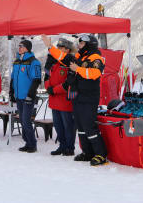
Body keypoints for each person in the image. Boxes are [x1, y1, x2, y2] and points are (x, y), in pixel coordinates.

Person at [41, 34, 108, 166]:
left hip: (89, 98)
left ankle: (100, 154)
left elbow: (95, 73)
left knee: (90, 127)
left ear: (89, 45)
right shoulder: (79, 57)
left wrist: (78, 69)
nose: (79, 46)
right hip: (78, 96)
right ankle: (87, 152)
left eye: (82, 44)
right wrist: (50, 47)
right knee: (81, 127)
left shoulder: (96, 58)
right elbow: (62, 58)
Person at [44, 38, 76, 156]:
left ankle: (69, 147)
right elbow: (46, 76)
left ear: (67, 50)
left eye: (61, 48)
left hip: (64, 100)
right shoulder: (52, 60)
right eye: (58, 47)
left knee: (68, 126)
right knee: (58, 125)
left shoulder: (71, 62)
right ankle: (62, 146)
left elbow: (69, 82)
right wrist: (48, 87)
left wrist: (54, 90)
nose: (58, 49)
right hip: (54, 99)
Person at [9, 39, 41, 153]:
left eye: (21, 46)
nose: (19, 48)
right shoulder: (17, 62)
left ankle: (32, 144)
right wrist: (11, 92)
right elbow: (13, 78)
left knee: (26, 121)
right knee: (22, 120)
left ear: (27, 48)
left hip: (28, 96)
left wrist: (30, 95)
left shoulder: (34, 62)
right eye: (19, 46)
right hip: (19, 96)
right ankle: (27, 142)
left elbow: (36, 80)